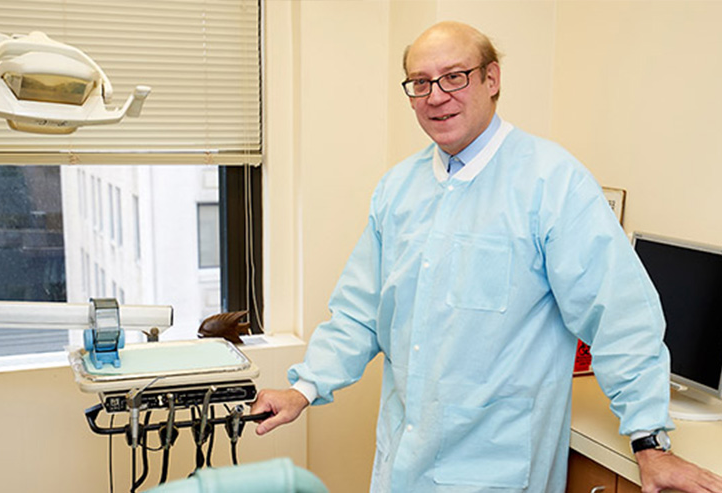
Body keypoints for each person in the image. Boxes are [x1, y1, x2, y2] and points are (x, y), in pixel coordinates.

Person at [250, 21, 722, 493]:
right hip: (404, 464)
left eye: (454, 76)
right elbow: (361, 311)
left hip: (499, 471)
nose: (436, 96)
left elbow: (620, 314)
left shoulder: (552, 182)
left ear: (491, 80)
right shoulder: (397, 190)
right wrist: (304, 388)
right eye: (420, 82)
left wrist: (650, 443)